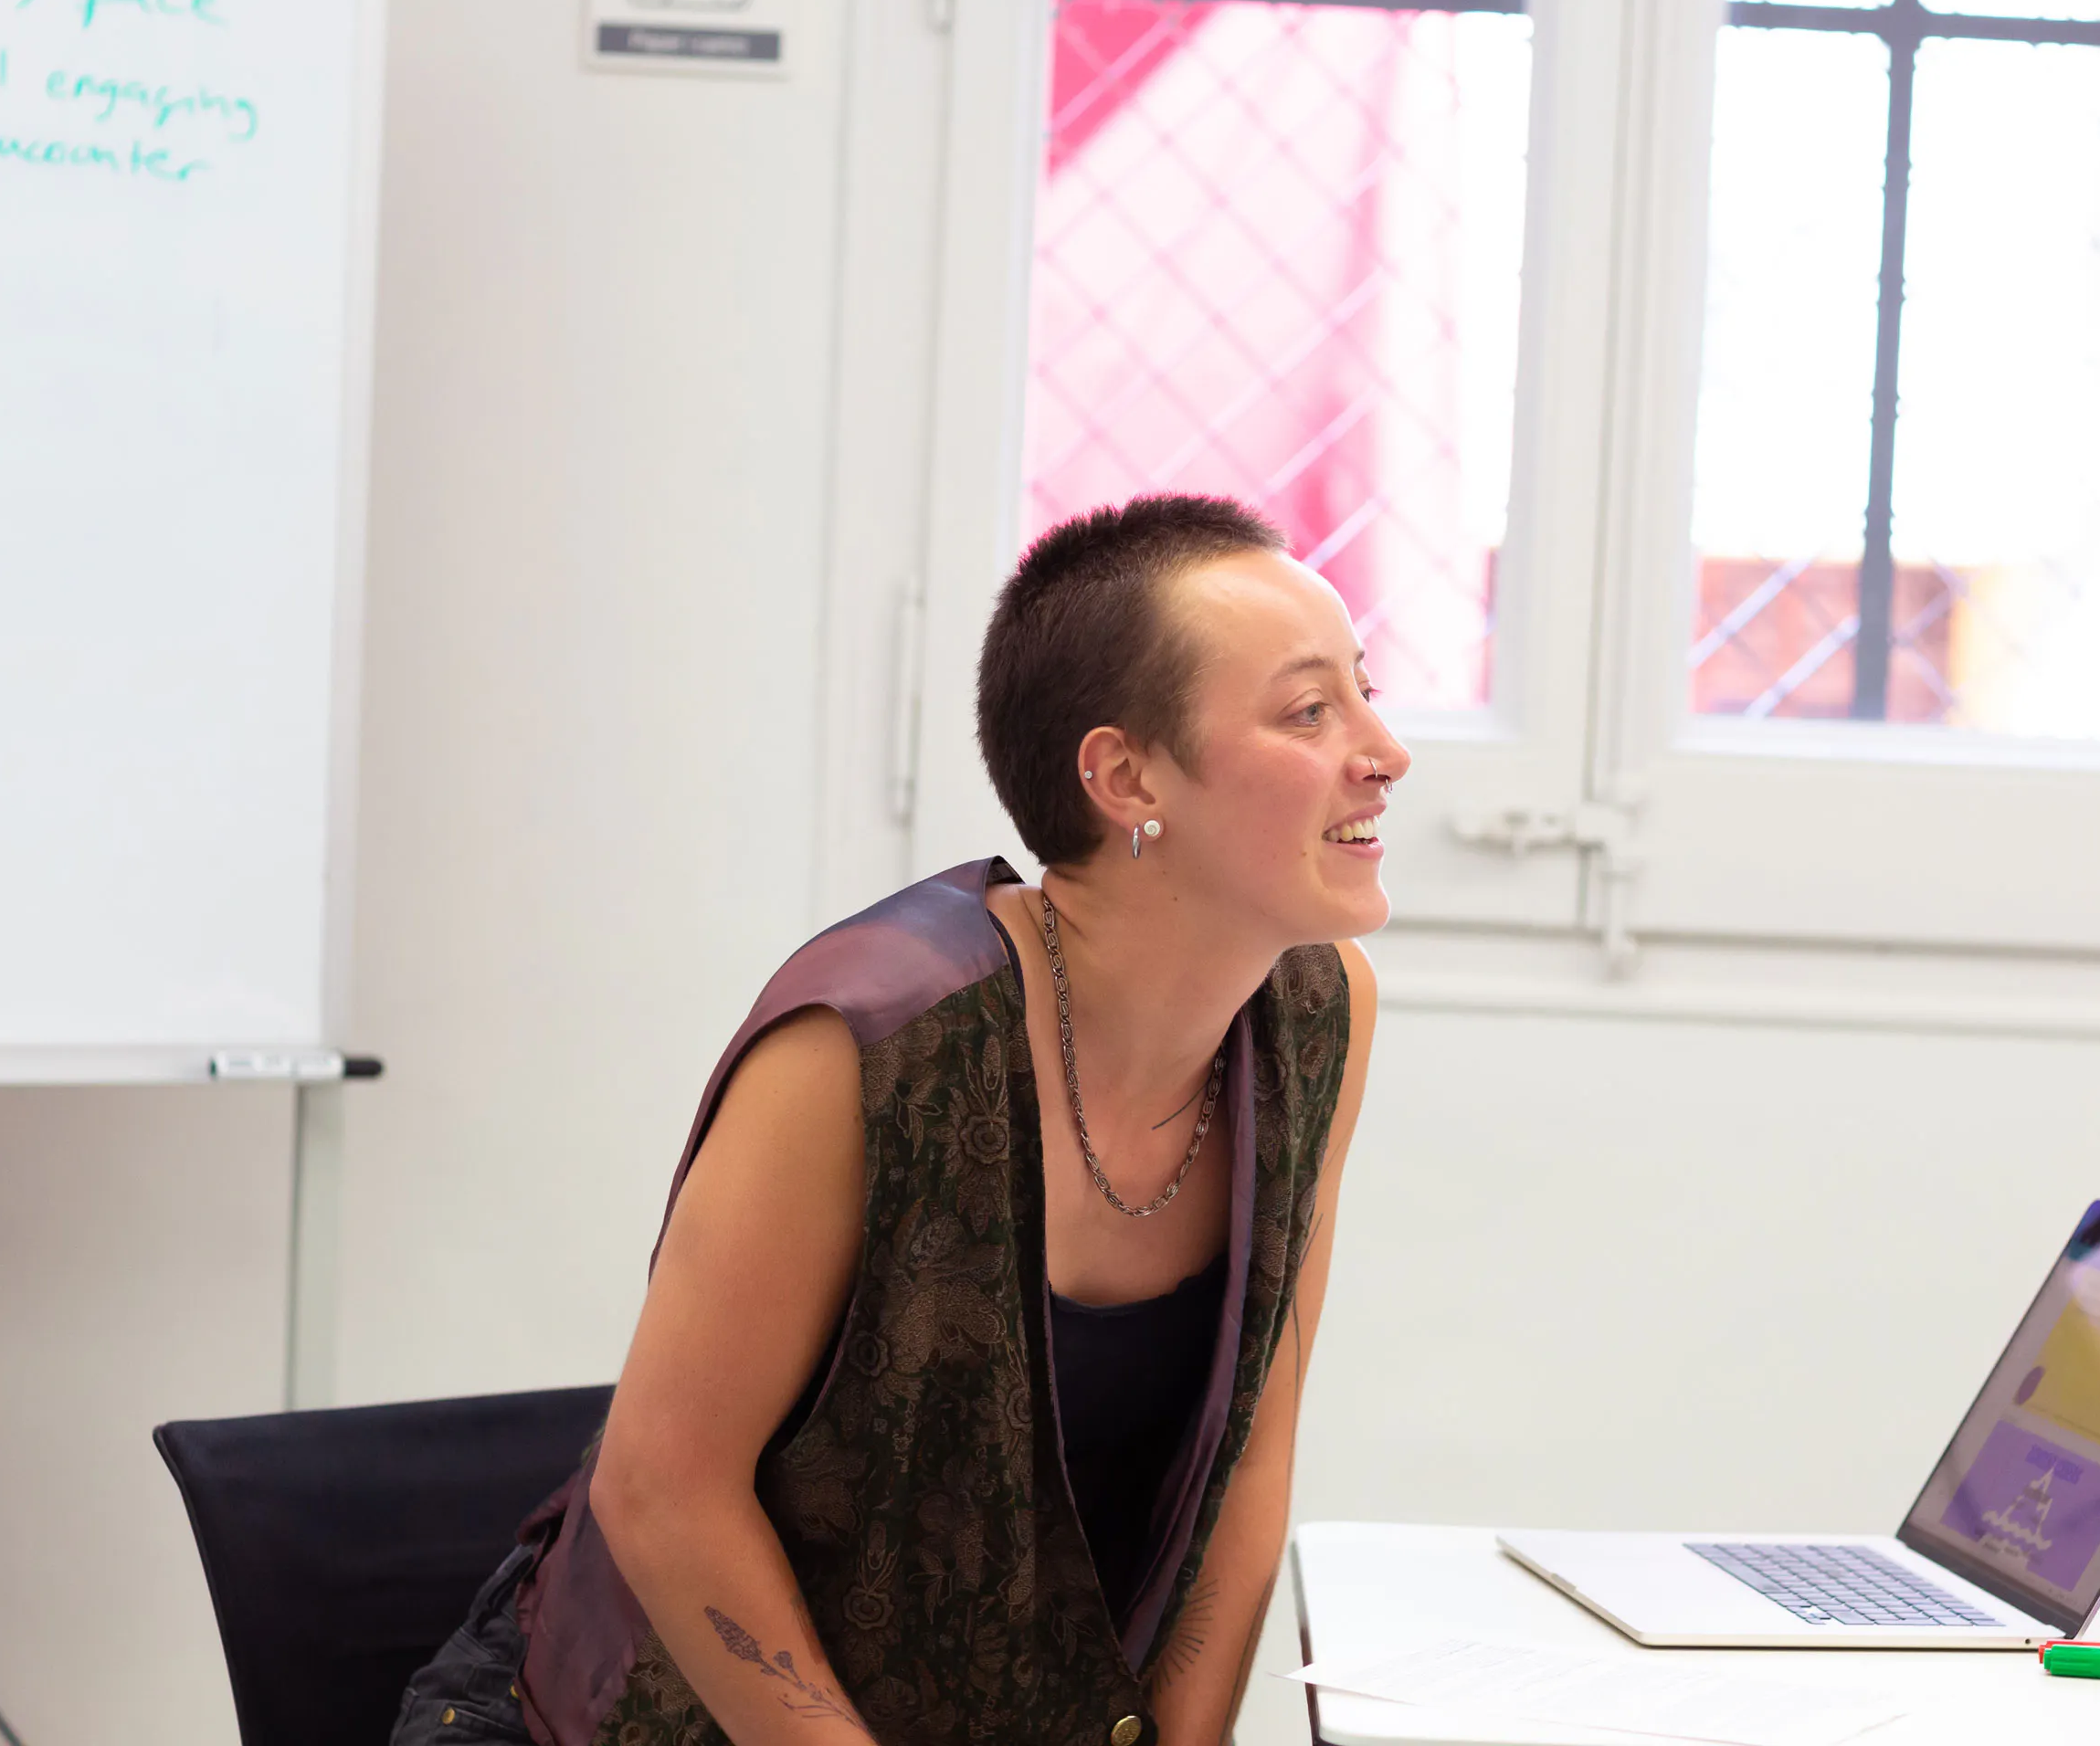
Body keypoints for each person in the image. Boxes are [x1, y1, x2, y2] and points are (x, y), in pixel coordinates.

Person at [393, 494, 1408, 1746]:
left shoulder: (1316, 1021)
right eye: (1312, 711)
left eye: (1365, 691)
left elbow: (1249, 1455)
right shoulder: (871, 1041)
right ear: (1125, 775)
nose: (1385, 750)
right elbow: (663, 1490)